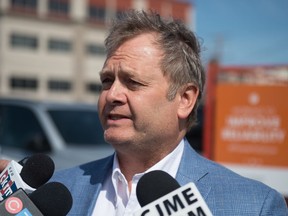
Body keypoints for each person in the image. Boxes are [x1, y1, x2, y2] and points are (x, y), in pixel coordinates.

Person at [1, 10, 287, 215]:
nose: (112, 95)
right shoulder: (57, 192)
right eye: (106, 81)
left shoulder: (255, 205)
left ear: (185, 99)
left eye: (132, 82)